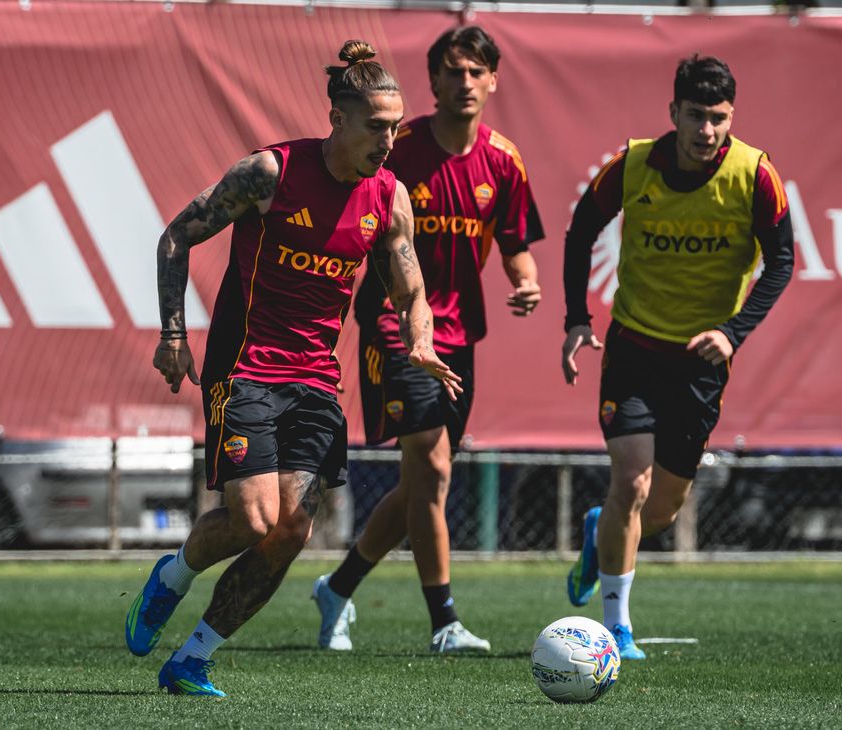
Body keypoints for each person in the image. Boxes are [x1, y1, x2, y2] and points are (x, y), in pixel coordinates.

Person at [124, 40, 461, 697]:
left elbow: (411, 291)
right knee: (250, 520)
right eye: (376, 127)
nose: (389, 141)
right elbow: (175, 238)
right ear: (337, 118)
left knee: (291, 530)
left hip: (314, 380)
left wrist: (419, 340)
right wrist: (172, 334)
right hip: (244, 368)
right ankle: (171, 577)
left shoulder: (390, 199)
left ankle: (193, 657)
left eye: (395, 127)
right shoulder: (268, 175)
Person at [313, 26, 544, 653]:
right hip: (394, 323)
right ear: (434, 80)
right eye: (453, 71)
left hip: (460, 334)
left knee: (422, 485)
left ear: (493, 80)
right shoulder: (398, 148)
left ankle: (337, 587)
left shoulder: (504, 161)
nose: (465, 82)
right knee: (433, 464)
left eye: (477, 71)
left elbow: (518, 246)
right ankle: (445, 623)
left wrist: (526, 283)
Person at [561, 54, 794, 659]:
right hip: (634, 348)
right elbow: (581, 229)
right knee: (631, 483)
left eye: (717, 118)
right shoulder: (634, 164)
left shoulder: (755, 175)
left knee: (658, 511)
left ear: (730, 117)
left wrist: (734, 331)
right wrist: (577, 320)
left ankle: (597, 531)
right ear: (674, 113)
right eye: (695, 116)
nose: (706, 130)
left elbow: (784, 261)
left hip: (700, 362)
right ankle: (617, 628)